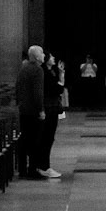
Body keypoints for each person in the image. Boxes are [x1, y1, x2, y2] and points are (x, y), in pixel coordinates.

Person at [15, 43, 46, 179]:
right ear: (37, 56)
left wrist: (19, 103)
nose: (44, 55)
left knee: (24, 139)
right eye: (42, 53)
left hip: (23, 109)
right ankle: (32, 169)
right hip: (33, 110)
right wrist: (41, 109)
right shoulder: (37, 70)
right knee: (35, 141)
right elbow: (37, 93)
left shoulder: (23, 68)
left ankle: (22, 169)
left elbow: (17, 88)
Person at [38, 50, 64, 179]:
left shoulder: (51, 71)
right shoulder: (45, 73)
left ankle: (44, 165)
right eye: (51, 56)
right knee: (47, 137)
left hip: (52, 106)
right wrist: (61, 77)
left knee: (49, 138)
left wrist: (60, 74)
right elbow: (57, 89)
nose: (53, 58)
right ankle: (44, 166)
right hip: (49, 108)